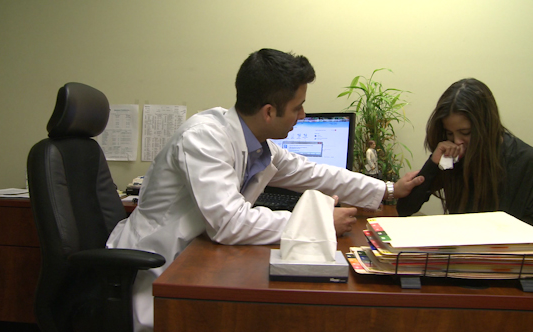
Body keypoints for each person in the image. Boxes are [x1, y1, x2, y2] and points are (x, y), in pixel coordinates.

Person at [107, 48, 424, 331]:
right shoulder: (204, 138)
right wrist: (318, 222)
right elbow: (229, 223)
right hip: (159, 265)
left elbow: (311, 172)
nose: (302, 116)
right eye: (298, 107)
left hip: (199, 254)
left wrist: (388, 190)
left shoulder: (255, 143)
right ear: (269, 111)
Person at [397, 78, 533, 226]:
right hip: (461, 246)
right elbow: (405, 208)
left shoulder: (526, 161)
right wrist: (432, 164)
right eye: (449, 133)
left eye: (466, 132)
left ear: (486, 126)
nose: (457, 141)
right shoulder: (454, 156)